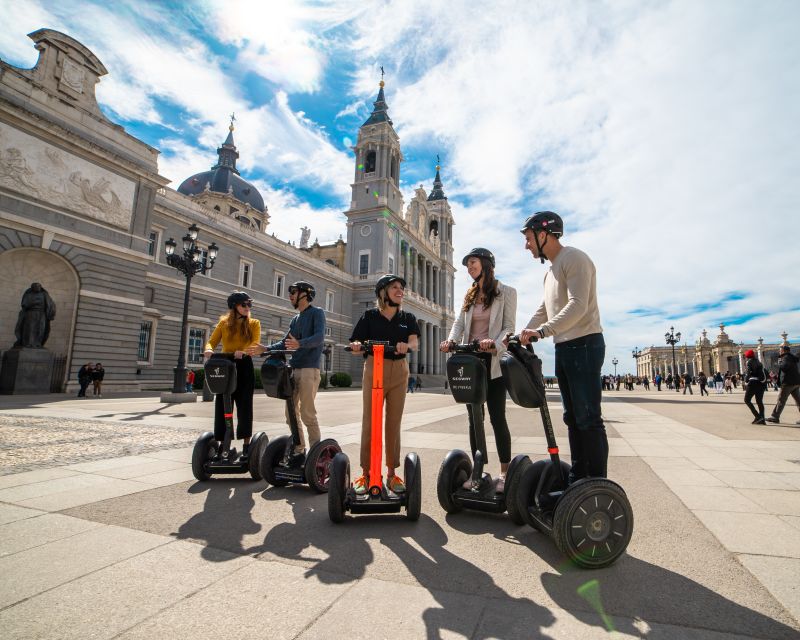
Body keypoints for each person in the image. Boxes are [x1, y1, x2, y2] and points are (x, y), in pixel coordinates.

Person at [518, 211, 608, 484]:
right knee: (572, 418)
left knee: (588, 418)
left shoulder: (575, 258)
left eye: (529, 238)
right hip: (564, 347)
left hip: (584, 344)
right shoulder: (550, 272)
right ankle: (579, 477)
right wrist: (519, 333)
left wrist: (542, 332)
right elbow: (545, 309)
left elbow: (578, 305)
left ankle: (597, 483)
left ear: (543, 234)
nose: (527, 245)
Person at [440, 247, 517, 492]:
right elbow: (458, 323)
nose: (469, 267)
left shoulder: (506, 292)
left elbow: (509, 328)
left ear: (485, 263)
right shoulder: (470, 294)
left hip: (492, 363)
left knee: (497, 418)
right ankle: (478, 469)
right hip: (471, 363)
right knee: (475, 420)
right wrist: (450, 341)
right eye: (467, 265)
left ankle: (504, 473)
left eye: (472, 263)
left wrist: (493, 344)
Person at [349, 274, 420, 495]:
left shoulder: (407, 317)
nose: (400, 291)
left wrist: (406, 345)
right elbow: (355, 340)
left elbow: (415, 342)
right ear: (383, 292)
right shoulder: (369, 316)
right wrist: (357, 345)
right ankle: (367, 473)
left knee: (393, 422)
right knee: (370, 422)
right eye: (395, 287)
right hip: (374, 368)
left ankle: (391, 473)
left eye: (402, 288)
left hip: (399, 371)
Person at [247, 281, 326, 460]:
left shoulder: (317, 313)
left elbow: (319, 338)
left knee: (307, 413)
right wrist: (265, 349)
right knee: (290, 414)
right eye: (290, 292)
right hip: (292, 370)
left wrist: (300, 343)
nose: (290, 295)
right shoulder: (295, 319)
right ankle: (299, 449)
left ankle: (316, 454)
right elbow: (284, 343)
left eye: (294, 292)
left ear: (305, 294)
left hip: (308, 370)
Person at [204, 291, 261, 462]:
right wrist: (208, 349)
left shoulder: (254, 323)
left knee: (244, 405)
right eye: (244, 305)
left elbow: (255, 344)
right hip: (226, 366)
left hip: (243, 366)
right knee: (222, 405)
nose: (247, 308)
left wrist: (243, 352)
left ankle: (246, 445)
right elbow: (212, 341)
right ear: (234, 306)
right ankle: (223, 444)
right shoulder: (223, 323)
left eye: (249, 305)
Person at [766, 345, 800, 424]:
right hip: (795, 382)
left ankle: (775, 417)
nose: (779, 351)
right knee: (798, 401)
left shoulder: (785, 358)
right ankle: (775, 416)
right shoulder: (792, 358)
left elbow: (784, 367)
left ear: (784, 351)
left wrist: (778, 364)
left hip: (787, 383)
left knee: (781, 400)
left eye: (780, 350)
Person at [743, 350, 767, 424]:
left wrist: (746, 380)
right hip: (761, 383)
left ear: (747, 356)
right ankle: (762, 418)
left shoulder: (749, 362)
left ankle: (758, 417)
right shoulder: (759, 362)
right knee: (759, 401)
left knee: (747, 400)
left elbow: (748, 373)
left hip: (753, 383)